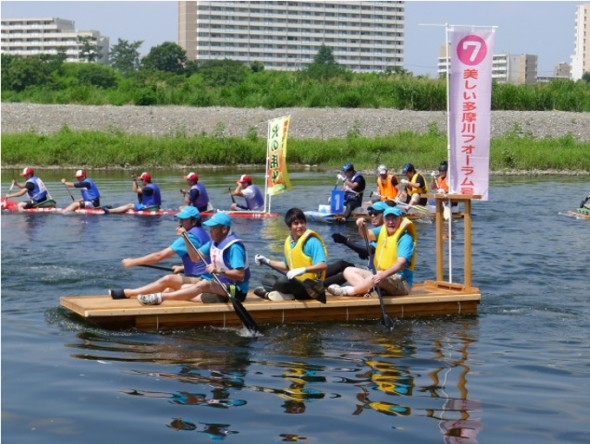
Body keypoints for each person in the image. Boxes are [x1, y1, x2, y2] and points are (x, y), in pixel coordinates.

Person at [137, 212, 250, 305]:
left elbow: (240, 275)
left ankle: (161, 297)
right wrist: (186, 238)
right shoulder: (213, 242)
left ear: (224, 229)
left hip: (237, 291)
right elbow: (195, 258)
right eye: (210, 227)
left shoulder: (235, 247)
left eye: (213, 228)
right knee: (184, 287)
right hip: (220, 285)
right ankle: (170, 295)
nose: (210, 230)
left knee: (204, 284)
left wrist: (218, 271)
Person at [108, 206, 210, 299]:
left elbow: (159, 256)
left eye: (184, 220)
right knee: (167, 289)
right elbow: (201, 259)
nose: (180, 222)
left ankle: (129, 293)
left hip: (201, 280)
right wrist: (182, 267)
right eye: (180, 219)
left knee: (168, 279)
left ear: (194, 222)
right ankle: (140, 295)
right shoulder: (203, 232)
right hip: (200, 277)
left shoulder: (189, 237)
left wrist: (133, 262)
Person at [326, 206, 417, 297]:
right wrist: (361, 226)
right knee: (348, 270)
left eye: (394, 219)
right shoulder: (383, 229)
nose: (390, 222)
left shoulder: (406, 238)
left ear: (400, 219)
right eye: (388, 219)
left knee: (376, 276)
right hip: (379, 276)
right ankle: (369, 291)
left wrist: (383, 275)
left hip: (401, 281)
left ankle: (347, 291)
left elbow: (401, 263)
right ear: (384, 219)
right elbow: (367, 234)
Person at [252, 208, 328, 301]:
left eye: (302, 222)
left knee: (283, 281)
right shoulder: (289, 242)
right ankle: (286, 295)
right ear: (289, 226)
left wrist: (303, 270)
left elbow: (323, 265)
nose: (300, 226)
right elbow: (287, 266)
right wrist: (267, 261)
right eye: (296, 223)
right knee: (266, 278)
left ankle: (279, 294)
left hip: (311, 287)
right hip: (296, 283)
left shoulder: (313, 242)